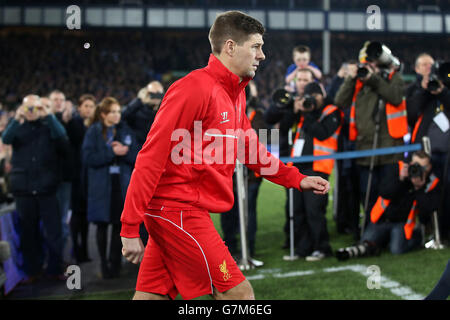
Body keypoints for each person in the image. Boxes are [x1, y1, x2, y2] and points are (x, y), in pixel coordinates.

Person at [120, 11, 329, 301]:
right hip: (178, 210)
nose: (263, 55)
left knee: (151, 297)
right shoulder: (192, 88)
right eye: (255, 46)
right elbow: (150, 157)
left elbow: (250, 148)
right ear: (230, 47)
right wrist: (130, 227)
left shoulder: (235, 93)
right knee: (239, 295)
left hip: (180, 211)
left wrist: (296, 178)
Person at [334, 43, 407, 232]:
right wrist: (352, 78)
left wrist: (374, 80)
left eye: (371, 63)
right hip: (364, 150)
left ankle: (384, 231)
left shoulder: (393, 78)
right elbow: (339, 101)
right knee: (366, 193)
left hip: (390, 149)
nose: (368, 67)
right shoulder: (359, 83)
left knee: (387, 192)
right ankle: (369, 231)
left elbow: (396, 97)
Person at [1, 94, 68, 282]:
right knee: (28, 233)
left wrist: (49, 115)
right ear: (22, 109)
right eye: (28, 108)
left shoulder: (49, 127)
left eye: (35, 108)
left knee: (53, 231)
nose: (32, 112)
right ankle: (33, 270)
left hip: (47, 187)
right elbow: (5, 139)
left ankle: (54, 268)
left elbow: (63, 139)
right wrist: (16, 118)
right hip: (24, 189)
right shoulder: (18, 127)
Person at [336, 151, 441, 260]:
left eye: (421, 167)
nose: (417, 169)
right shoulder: (398, 169)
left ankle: (416, 239)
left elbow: (428, 209)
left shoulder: (431, 181)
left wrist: (419, 188)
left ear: (429, 167)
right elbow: (384, 192)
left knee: (396, 249)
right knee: (365, 243)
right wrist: (400, 179)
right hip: (382, 219)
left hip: (402, 224)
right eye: (414, 165)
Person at [82, 97, 139, 279]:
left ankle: (115, 262)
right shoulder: (93, 131)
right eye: (113, 112)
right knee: (101, 225)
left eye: (118, 111)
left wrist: (125, 151)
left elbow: (137, 156)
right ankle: (103, 263)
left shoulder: (125, 130)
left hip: (121, 185)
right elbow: (88, 158)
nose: (117, 115)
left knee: (117, 225)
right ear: (104, 114)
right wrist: (111, 152)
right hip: (101, 186)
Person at [264, 68, 315, 249]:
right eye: (300, 79)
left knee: (311, 204)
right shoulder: (288, 99)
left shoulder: (317, 100)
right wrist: (293, 109)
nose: (302, 83)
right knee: (292, 203)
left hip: (310, 158)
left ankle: (309, 239)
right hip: (290, 157)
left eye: (306, 80)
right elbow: (277, 124)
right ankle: (293, 238)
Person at [406, 53, 450, 242]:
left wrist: (442, 91)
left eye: (430, 65)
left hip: (447, 153)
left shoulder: (446, 87)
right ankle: (428, 229)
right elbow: (412, 113)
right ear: (417, 69)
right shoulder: (416, 89)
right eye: (424, 65)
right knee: (426, 189)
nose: (428, 69)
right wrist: (425, 90)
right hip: (426, 153)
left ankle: (445, 232)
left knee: (447, 191)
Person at [220, 80, 267, 258]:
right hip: (228, 174)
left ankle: (249, 250)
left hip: (250, 176)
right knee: (228, 213)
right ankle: (230, 247)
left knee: (248, 213)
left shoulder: (257, 115)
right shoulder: (226, 114)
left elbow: (265, 143)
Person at [67, 94, 97, 263]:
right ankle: (76, 248)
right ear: (79, 108)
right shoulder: (73, 124)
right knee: (77, 215)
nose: (88, 109)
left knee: (85, 216)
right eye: (85, 106)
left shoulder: (96, 126)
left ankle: (83, 250)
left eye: (91, 106)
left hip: (89, 177)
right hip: (76, 176)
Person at [49, 90, 73, 260]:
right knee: (50, 222)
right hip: (45, 180)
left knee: (62, 220)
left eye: (61, 100)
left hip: (63, 179)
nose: (58, 102)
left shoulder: (70, 122)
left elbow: (68, 148)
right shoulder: (44, 122)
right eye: (55, 100)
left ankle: (60, 258)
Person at [122, 81, 164, 149]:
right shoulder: (137, 108)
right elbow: (123, 117)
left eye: (159, 94)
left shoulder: (163, 110)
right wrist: (139, 100)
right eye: (153, 94)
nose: (156, 97)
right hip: (135, 148)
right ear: (146, 93)